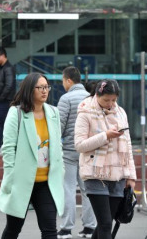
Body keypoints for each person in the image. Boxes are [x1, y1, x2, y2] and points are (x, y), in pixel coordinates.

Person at [0, 73, 64, 238]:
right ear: (29, 89)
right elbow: (8, 148)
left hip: (46, 182)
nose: (44, 91)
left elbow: (58, 145)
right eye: (40, 87)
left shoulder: (53, 112)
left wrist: (60, 169)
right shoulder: (16, 113)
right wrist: (11, 175)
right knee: (13, 229)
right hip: (21, 181)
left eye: (46, 87)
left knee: (50, 231)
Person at [74, 79, 136, 239]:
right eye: (106, 100)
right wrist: (105, 136)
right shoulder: (85, 112)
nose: (110, 103)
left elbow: (128, 145)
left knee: (105, 224)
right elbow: (80, 145)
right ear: (97, 94)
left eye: (114, 100)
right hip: (95, 173)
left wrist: (131, 176)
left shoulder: (121, 113)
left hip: (118, 174)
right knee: (106, 223)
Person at [57, 67, 96, 239]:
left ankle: (66, 229)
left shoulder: (66, 99)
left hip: (70, 151)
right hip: (88, 150)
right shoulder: (92, 98)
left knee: (68, 189)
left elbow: (59, 125)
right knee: (88, 190)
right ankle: (89, 227)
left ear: (69, 80)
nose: (63, 84)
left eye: (63, 81)